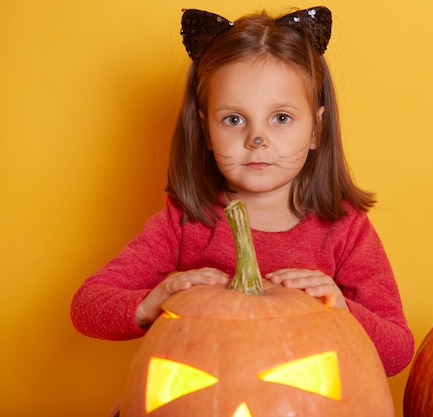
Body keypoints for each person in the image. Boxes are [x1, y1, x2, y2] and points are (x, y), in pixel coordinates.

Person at [71, 6, 414, 378]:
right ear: (205, 130)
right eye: (234, 119)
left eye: (281, 118)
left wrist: (343, 310)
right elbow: (87, 307)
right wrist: (151, 303)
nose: (256, 138)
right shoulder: (185, 221)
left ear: (316, 129)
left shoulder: (344, 228)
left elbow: (397, 352)